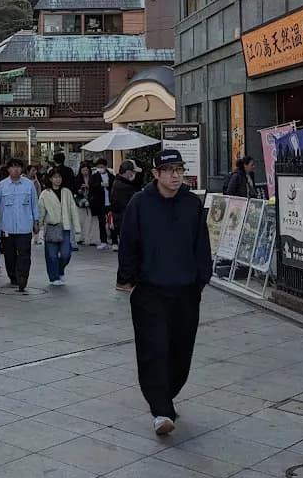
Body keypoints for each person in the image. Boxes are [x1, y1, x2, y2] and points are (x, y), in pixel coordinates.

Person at [117, 148, 212, 436]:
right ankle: (160, 410)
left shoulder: (191, 204)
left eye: (179, 170)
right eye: (169, 171)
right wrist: (128, 278)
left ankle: (166, 397)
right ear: (156, 174)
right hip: (150, 292)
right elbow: (128, 243)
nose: (175, 176)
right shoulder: (140, 203)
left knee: (181, 352)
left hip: (186, 292)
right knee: (153, 350)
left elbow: (201, 244)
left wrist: (201, 278)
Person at [0, 157, 40, 293]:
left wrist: (36, 221)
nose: (15, 169)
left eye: (18, 167)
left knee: (24, 254)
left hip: (24, 227)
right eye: (12, 167)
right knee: (9, 255)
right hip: (7, 227)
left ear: (21, 169)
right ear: (8, 169)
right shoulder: (1, 186)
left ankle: (22, 279)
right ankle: (13, 277)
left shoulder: (29, 185)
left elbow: (34, 204)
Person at [38, 168, 81, 286]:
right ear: (50, 179)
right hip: (51, 227)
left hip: (65, 227)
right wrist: (38, 226)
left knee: (66, 254)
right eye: (55, 177)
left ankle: (60, 270)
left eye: (59, 177)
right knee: (51, 255)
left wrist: (77, 227)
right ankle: (54, 277)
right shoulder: (45, 194)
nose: (57, 179)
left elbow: (73, 209)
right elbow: (41, 211)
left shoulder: (66, 192)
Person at [111, 161, 139, 291]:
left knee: (129, 251)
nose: (134, 175)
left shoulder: (120, 183)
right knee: (128, 252)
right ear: (127, 172)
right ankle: (125, 281)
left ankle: (127, 280)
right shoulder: (123, 186)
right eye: (133, 172)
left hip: (122, 220)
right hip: (124, 221)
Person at [90, 156, 115, 250]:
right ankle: (103, 241)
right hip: (100, 203)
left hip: (110, 202)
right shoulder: (94, 177)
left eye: (102, 166)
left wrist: (108, 186)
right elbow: (92, 188)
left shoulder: (111, 176)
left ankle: (114, 242)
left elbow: (114, 187)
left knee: (111, 222)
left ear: (105, 166)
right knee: (101, 222)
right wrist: (99, 185)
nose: (100, 168)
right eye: (98, 167)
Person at [74, 161, 97, 247]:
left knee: (90, 221)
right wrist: (79, 191)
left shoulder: (93, 178)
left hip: (90, 202)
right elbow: (75, 190)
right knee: (81, 221)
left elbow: (95, 189)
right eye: (83, 170)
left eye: (86, 170)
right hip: (81, 203)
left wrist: (88, 187)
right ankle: (81, 237)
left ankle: (90, 238)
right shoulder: (77, 179)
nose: (85, 172)